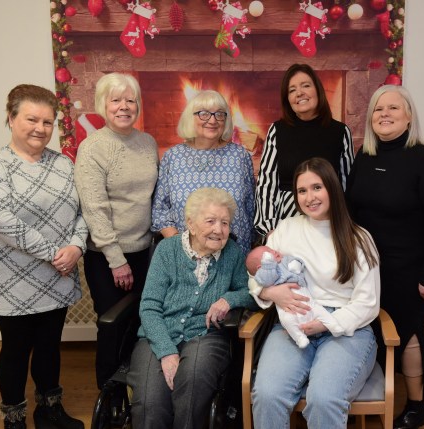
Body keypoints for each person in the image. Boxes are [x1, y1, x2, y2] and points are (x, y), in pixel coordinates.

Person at [0, 84, 87, 429]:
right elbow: (0, 220)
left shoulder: (63, 163)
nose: (40, 128)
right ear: (11, 119)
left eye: (48, 122)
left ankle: (49, 411)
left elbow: (84, 211)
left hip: (59, 273)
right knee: (15, 349)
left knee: (49, 346)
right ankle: (14, 417)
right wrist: (54, 252)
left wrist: (77, 246)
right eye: (32, 119)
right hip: (14, 277)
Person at [346, 85, 424, 429]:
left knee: (408, 334)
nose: (385, 114)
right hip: (366, 267)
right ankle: (376, 395)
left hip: (409, 268)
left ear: (409, 116)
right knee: (371, 330)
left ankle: (416, 404)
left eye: (393, 108)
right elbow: (349, 211)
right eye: (378, 109)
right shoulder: (364, 156)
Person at [250, 157, 380, 428]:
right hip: (293, 322)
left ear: (332, 188)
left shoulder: (359, 238)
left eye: (317, 187)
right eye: (302, 191)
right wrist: (272, 293)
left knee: (323, 398)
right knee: (267, 394)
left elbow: (368, 303)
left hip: (347, 330)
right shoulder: (286, 230)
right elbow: (256, 278)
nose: (310, 197)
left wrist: (326, 324)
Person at [127, 188, 258, 429]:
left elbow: (250, 294)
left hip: (206, 336)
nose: (218, 230)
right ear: (191, 223)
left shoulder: (232, 254)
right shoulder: (167, 251)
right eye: (210, 221)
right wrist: (166, 351)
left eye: (225, 222)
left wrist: (229, 299)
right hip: (159, 334)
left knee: (192, 384)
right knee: (151, 401)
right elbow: (149, 306)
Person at [74, 72, 159, 390]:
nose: (124, 106)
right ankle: (108, 399)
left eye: (130, 100)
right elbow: (94, 208)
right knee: (111, 327)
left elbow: (151, 196)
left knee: (139, 323)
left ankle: (138, 393)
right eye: (116, 100)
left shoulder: (147, 142)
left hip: (144, 252)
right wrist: (115, 259)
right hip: (108, 257)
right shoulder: (92, 148)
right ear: (102, 105)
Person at [254, 63, 354, 239]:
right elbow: (266, 183)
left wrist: (343, 227)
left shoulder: (340, 132)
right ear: (288, 99)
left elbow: (346, 185)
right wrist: (269, 228)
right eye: (292, 90)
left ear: (318, 90)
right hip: (284, 224)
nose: (299, 93)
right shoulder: (278, 130)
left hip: (327, 224)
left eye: (305, 85)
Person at [152, 89, 255, 254]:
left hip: (234, 255)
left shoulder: (240, 156)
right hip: (185, 256)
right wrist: (180, 248)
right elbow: (160, 211)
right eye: (204, 114)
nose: (213, 120)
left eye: (219, 114)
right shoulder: (173, 157)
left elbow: (251, 207)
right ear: (190, 118)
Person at [246, 245, 340, 348]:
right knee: (287, 320)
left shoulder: (285, 260)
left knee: (319, 310)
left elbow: (297, 262)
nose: (274, 251)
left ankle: (334, 325)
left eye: (272, 250)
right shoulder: (262, 274)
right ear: (260, 267)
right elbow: (263, 281)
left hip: (309, 302)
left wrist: (295, 265)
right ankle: (299, 338)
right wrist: (268, 267)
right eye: (268, 253)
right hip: (288, 310)